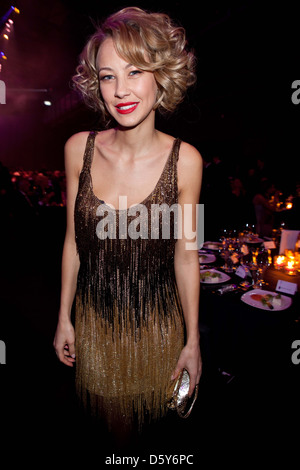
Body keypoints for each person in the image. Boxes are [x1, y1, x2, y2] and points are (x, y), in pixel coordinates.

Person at [53, 7, 202, 446]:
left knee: (157, 432)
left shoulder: (187, 161)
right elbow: (72, 243)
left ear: (161, 74)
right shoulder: (77, 149)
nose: (120, 90)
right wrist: (63, 316)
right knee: (115, 433)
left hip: (158, 328)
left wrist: (193, 340)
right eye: (107, 76)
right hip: (96, 326)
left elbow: (187, 253)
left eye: (135, 71)